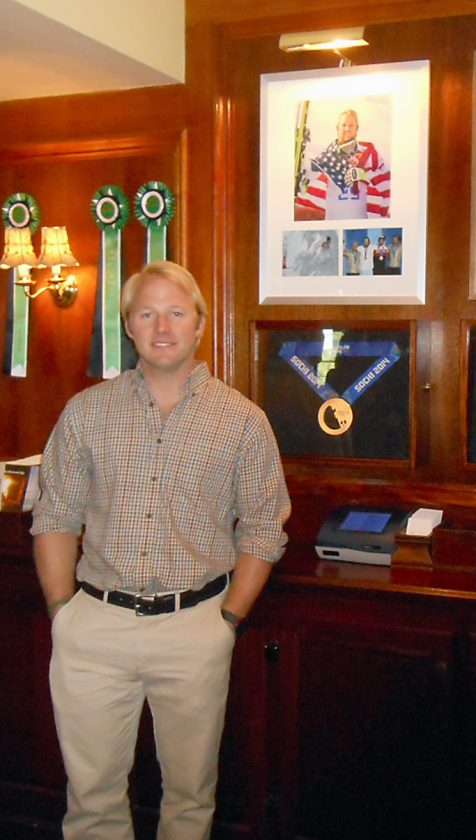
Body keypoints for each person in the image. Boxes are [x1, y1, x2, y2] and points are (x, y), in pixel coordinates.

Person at [31, 260, 291, 840]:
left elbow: (262, 529)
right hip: (94, 629)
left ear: (200, 323)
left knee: (191, 798)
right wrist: (62, 612)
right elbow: (55, 515)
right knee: (91, 798)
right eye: (147, 314)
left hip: (194, 627)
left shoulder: (242, 421)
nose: (163, 326)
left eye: (176, 312)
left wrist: (227, 621)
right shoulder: (85, 411)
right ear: (128, 327)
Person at [294, 108, 391, 221]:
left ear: (357, 129)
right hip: (331, 223)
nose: (347, 128)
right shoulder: (326, 157)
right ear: (338, 128)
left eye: (351, 125)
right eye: (344, 125)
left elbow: (387, 179)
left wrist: (363, 174)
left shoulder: (368, 154)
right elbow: (308, 176)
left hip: (360, 223)